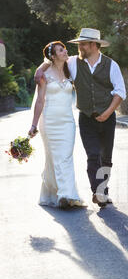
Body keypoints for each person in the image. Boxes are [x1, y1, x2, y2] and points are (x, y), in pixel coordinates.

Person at [35, 28, 126, 207]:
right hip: (86, 118)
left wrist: (107, 113)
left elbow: (120, 93)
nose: (80, 47)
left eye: (83, 44)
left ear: (93, 45)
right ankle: (98, 193)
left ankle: (103, 191)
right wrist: (40, 68)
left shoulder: (111, 65)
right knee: (93, 155)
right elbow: (52, 60)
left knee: (106, 157)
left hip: (108, 118)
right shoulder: (74, 63)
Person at [29, 41, 85, 209]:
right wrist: (33, 125)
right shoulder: (45, 75)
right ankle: (63, 195)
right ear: (53, 56)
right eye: (61, 50)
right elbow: (40, 100)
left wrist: (41, 66)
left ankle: (66, 194)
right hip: (49, 121)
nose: (65, 51)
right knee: (54, 159)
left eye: (64, 48)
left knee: (66, 157)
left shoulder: (72, 67)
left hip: (68, 121)